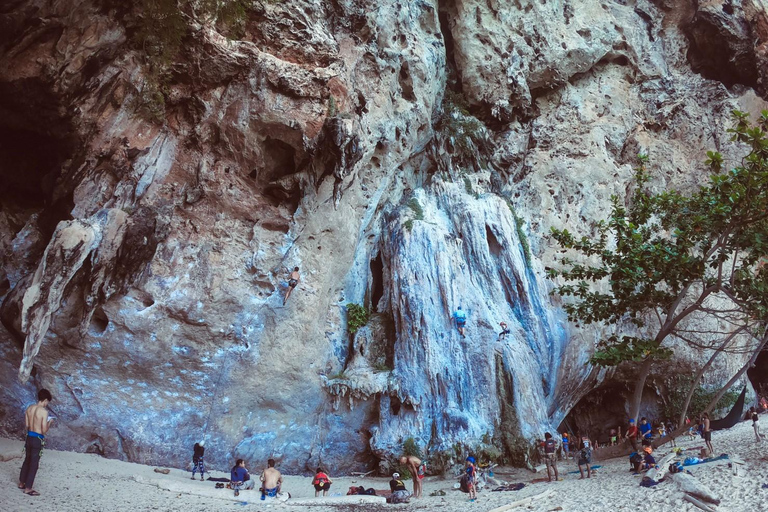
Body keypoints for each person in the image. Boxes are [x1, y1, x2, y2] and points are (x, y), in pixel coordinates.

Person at [18, 389, 53, 496]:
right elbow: (43, 430)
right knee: (34, 464)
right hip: (37, 439)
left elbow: (27, 425)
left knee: (27, 460)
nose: (47, 404)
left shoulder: (29, 409)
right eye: (47, 402)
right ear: (45, 400)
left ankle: (21, 483)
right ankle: (28, 488)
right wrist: (49, 422)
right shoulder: (43, 412)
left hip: (29, 437)